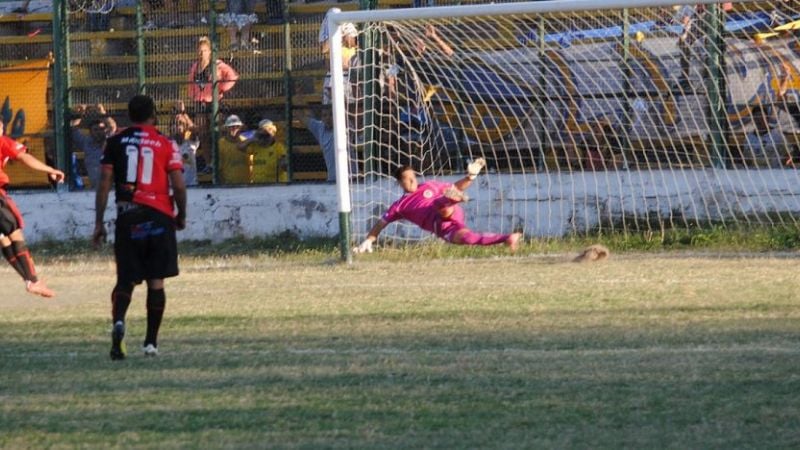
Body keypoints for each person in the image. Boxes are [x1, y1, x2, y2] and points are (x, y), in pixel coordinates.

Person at [93, 94, 187, 360]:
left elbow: (103, 184)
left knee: (125, 279)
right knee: (156, 281)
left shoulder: (115, 142)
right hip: (159, 216)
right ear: (153, 115)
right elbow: (178, 185)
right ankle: (150, 343)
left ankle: (119, 321)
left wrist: (99, 222)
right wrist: (181, 214)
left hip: (128, 215)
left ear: (129, 116)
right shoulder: (165, 143)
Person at [354, 159, 522, 254]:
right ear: (399, 182)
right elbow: (381, 223)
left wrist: (470, 177)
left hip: (447, 211)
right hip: (443, 225)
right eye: (407, 178)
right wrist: (368, 240)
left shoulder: (429, 185)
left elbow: (456, 186)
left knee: (439, 202)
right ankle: (507, 238)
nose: (413, 180)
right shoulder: (399, 206)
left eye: (413, 176)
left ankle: (450, 200)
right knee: (467, 239)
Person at [0, 120, 64, 298]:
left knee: (4, 239)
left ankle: (29, 280)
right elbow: (24, 157)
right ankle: (34, 281)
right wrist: (49, 169)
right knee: (15, 235)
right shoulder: (2, 141)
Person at [187, 36, 239, 175]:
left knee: (216, 132)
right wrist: (193, 96)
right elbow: (191, 83)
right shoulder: (195, 66)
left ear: (210, 51)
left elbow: (233, 76)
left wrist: (221, 87)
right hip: (200, 102)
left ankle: (219, 161)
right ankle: (209, 163)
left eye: (204, 50)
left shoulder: (217, 64)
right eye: (199, 51)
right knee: (203, 134)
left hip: (213, 102)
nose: (201, 53)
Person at [70, 103, 117, 189]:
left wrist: (102, 112)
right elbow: (72, 129)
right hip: (96, 188)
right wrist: (80, 114)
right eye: (95, 130)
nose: (99, 132)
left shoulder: (109, 140)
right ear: (90, 132)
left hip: (113, 188)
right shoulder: (86, 142)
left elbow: (112, 126)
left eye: (101, 129)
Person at [241, 118, 287, 183]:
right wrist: (253, 139)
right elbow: (240, 147)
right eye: (262, 136)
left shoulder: (278, 147)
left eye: (267, 136)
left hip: (274, 184)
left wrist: (282, 164)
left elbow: (284, 163)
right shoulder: (255, 146)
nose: (264, 139)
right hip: (258, 184)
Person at [217, 114, 250, 184]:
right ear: (226, 128)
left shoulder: (246, 142)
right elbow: (219, 168)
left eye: (237, 127)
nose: (234, 129)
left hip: (247, 184)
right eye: (231, 127)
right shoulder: (220, 144)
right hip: (229, 184)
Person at [171, 111, 199, 186]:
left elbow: (194, 129)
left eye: (180, 124)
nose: (178, 127)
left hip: (192, 184)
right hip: (175, 186)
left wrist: (184, 115)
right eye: (175, 124)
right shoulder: (169, 143)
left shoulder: (190, 140)